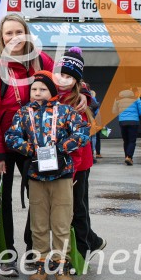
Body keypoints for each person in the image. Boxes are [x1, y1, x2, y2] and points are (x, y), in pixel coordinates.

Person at [0, 13, 53, 275]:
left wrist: (85, 94)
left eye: (18, 32)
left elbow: (65, 84)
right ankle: (6, 252)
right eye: (8, 33)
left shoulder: (41, 60)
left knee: (41, 197)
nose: (14, 38)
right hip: (6, 145)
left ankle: (35, 250)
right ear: (1, 38)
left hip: (39, 143)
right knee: (3, 201)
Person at [5, 71, 89, 280]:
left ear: (51, 92)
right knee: (39, 223)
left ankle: (61, 265)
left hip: (62, 174)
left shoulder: (66, 111)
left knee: (61, 221)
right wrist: (30, 149)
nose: (37, 93)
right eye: (34, 89)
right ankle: (41, 264)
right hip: (36, 175)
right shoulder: (23, 113)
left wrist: (61, 148)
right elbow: (11, 136)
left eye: (42, 89)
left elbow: (83, 132)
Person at [54, 49, 105, 257]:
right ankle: (93, 241)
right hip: (61, 162)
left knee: (78, 207)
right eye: (60, 74)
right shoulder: (53, 96)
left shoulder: (78, 103)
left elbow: (80, 142)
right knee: (70, 207)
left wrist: (73, 170)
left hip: (79, 164)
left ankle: (83, 251)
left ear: (76, 80)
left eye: (68, 76)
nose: (63, 80)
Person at [112, 89, 141, 166]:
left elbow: (114, 111)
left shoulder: (117, 99)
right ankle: (129, 157)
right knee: (132, 141)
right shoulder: (136, 98)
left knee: (126, 140)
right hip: (134, 122)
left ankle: (126, 156)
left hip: (122, 122)